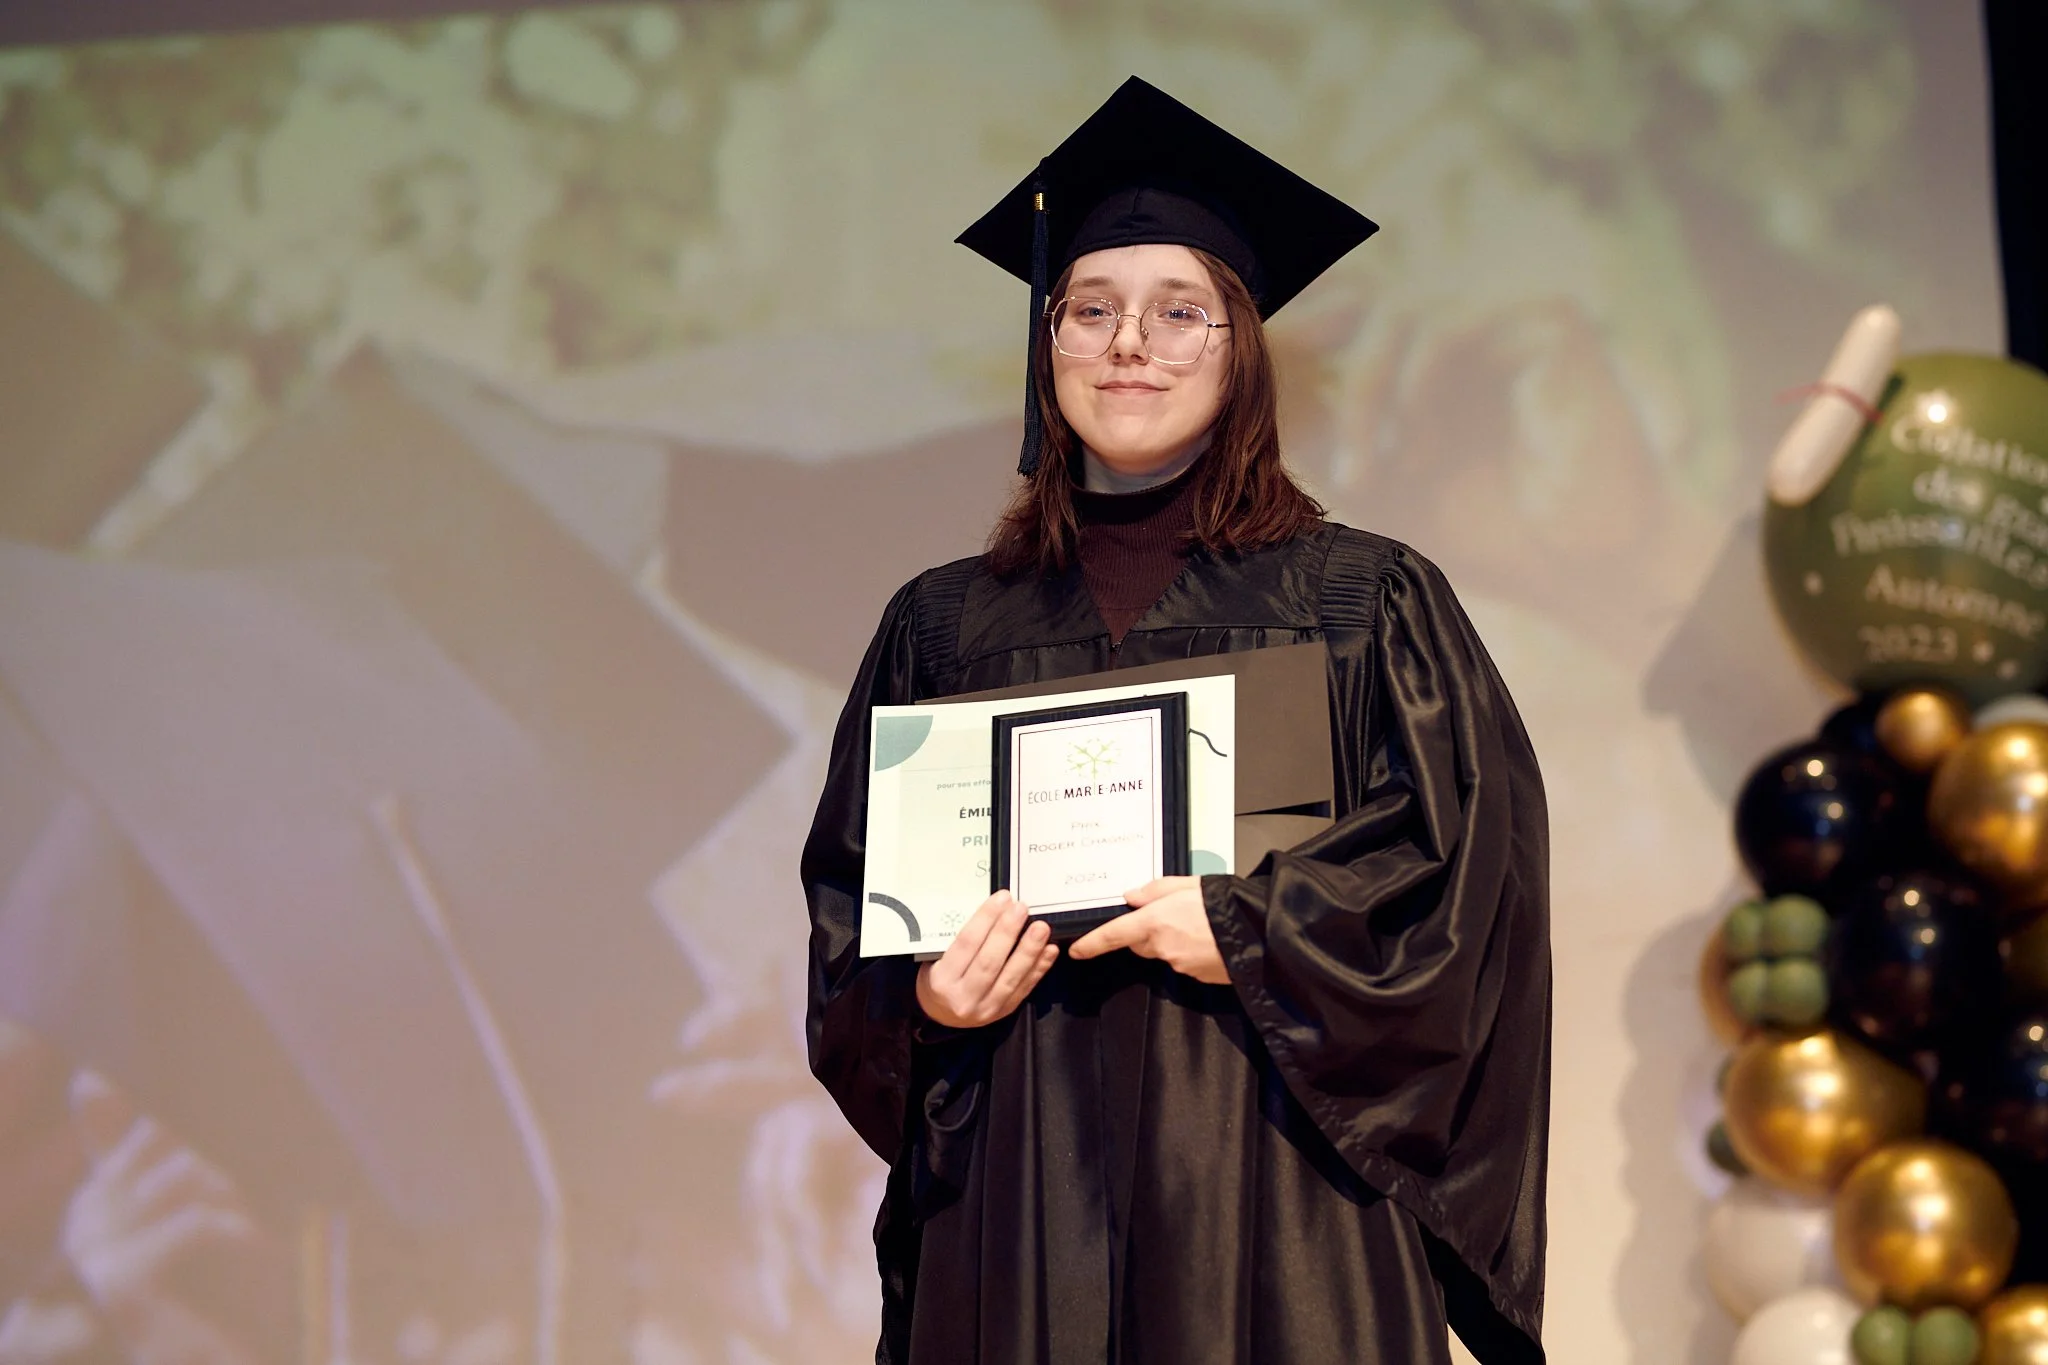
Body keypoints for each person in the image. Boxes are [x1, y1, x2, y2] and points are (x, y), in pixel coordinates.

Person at [803, 77, 1550, 1365]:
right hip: (1023, 1183)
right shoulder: (945, 628)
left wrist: (1260, 927)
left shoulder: (1359, 604)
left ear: (1241, 346)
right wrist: (927, 997)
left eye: (1177, 311)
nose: (1128, 343)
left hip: (1276, 1189)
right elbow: (850, 912)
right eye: (1089, 311)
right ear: (1047, 348)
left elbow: (1471, 889)